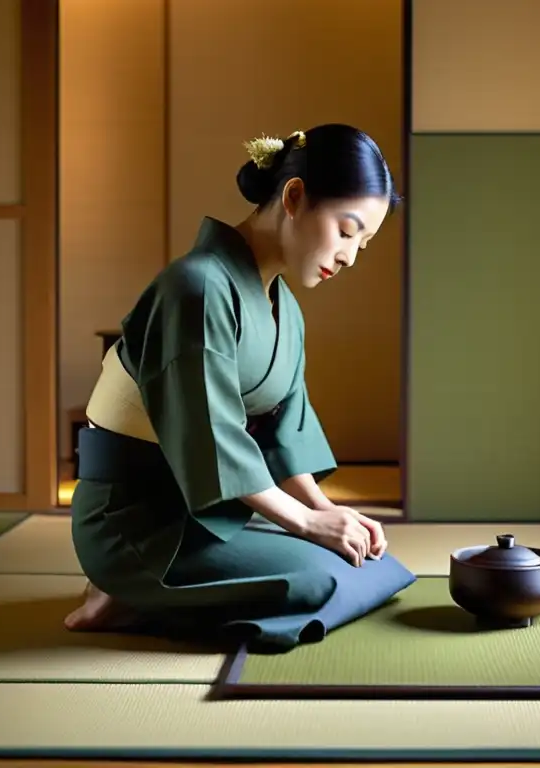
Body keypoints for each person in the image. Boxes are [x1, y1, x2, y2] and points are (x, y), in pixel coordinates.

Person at [65, 124, 416, 650]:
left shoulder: (285, 309)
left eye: (362, 244)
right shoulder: (196, 287)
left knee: (376, 567)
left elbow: (282, 432)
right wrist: (302, 523)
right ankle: (125, 588)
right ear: (294, 197)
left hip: (207, 513)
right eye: (346, 232)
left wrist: (324, 512)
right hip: (139, 524)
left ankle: (141, 595)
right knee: (323, 581)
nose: (349, 257)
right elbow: (211, 437)